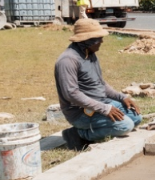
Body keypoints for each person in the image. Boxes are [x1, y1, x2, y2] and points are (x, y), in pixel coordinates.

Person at [54, 18, 142, 149]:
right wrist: (104, 109)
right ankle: (79, 134)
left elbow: (100, 84)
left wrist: (122, 97)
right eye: (98, 38)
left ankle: (94, 127)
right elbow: (71, 94)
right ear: (87, 40)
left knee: (136, 118)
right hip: (81, 113)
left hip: (101, 104)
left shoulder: (90, 54)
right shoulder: (68, 60)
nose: (101, 41)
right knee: (125, 126)